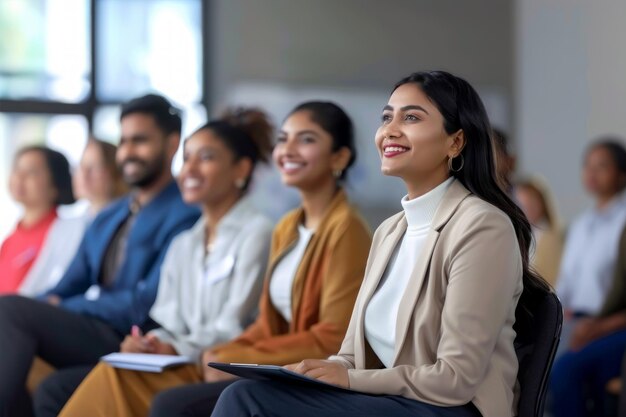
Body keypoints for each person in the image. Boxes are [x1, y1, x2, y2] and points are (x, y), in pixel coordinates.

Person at [211, 71, 550, 417]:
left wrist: (350, 379)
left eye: (412, 117)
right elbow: (351, 357)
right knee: (250, 391)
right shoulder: (390, 231)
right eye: (387, 117)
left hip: (451, 409)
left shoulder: (483, 226)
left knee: (245, 401)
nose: (390, 129)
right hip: (392, 401)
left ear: (456, 142)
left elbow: (455, 379)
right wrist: (316, 373)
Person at [91, 100, 372, 417]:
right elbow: (268, 323)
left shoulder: (346, 229)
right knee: (111, 376)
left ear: (340, 157)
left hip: (314, 374)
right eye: (283, 139)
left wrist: (240, 355)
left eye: (306, 139)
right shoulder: (288, 227)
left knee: (168, 402)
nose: (288, 149)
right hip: (270, 362)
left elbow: (333, 337)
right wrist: (225, 353)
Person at [34, 108, 275, 417]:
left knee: (115, 378)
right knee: (100, 373)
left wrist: (174, 347)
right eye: (187, 158)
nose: (189, 170)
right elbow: (168, 320)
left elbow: (234, 326)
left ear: (241, 169)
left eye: (206, 158)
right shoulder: (185, 242)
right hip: (179, 360)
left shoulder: (259, 233)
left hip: (219, 364)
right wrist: (150, 342)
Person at [0, 93, 200, 417]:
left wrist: (62, 307)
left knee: (9, 310)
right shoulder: (112, 214)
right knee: (51, 388)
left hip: (137, 337)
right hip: (93, 329)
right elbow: (69, 283)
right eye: (124, 141)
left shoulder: (185, 213)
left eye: (140, 141)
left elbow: (146, 303)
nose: (128, 152)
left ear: (172, 143)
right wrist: (49, 303)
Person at [18, 139, 128, 297]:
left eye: (94, 167)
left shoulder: (126, 223)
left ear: (115, 174)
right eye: (80, 166)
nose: (83, 174)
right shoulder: (65, 227)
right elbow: (38, 279)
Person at [554, 140, 626, 356]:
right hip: (573, 319)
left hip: (606, 322)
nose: (592, 173)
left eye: (602, 166)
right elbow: (565, 279)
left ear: (622, 174)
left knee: (559, 372)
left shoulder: (622, 222)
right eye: (588, 165)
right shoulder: (580, 224)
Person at [549, 219, 626, 417]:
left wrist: (600, 327)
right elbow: (617, 295)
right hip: (605, 320)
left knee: (564, 370)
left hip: (615, 326)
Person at [0, 146, 75, 295]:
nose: (19, 177)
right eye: (17, 169)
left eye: (32, 172)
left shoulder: (64, 234)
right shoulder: (11, 239)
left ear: (55, 184)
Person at [514, 177, 564, 286]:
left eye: (531, 202)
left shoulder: (551, 237)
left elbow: (550, 279)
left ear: (542, 202)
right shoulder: (525, 234)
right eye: (522, 204)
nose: (527, 208)